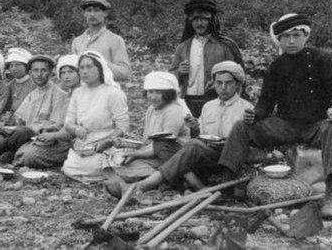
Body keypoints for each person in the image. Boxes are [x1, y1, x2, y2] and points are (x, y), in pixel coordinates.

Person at [217, 14, 332, 219]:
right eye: (286, 37)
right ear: (280, 40)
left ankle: (331, 194)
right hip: (285, 125)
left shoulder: (322, 58)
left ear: (305, 36)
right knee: (241, 127)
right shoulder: (276, 67)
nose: (291, 41)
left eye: (296, 35)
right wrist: (255, 114)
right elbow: (266, 103)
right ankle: (226, 184)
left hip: (316, 125)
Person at [105, 61, 252, 198]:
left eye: (228, 83)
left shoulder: (247, 109)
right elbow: (201, 136)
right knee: (162, 144)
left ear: (238, 84)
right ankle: (198, 187)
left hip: (226, 160)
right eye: (219, 83)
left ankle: (142, 186)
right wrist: (195, 127)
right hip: (204, 156)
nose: (223, 87)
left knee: (192, 145)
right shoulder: (209, 106)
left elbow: (245, 144)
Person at [0, 55, 69, 163]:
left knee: (23, 132)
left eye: (43, 70)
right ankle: (10, 151)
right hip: (22, 134)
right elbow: (19, 117)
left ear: (51, 72)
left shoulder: (60, 95)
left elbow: (56, 125)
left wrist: (33, 128)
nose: (39, 74)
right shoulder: (32, 95)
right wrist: (10, 120)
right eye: (35, 70)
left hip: (41, 136)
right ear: (30, 72)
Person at [61, 51, 130, 183]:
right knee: (69, 167)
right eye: (81, 68)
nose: (85, 71)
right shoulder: (78, 92)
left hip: (107, 143)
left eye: (89, 67)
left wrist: (107, 141)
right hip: (84, 144)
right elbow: (68, 122)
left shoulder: (113, 93)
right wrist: (76, 129)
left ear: (100, 68)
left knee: (92, 165)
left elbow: (123, 127)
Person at [169, 0, 242, 121]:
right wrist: (180, 72)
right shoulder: (182, 47)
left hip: (217, 99)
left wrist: (219, 83)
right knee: (191, 134)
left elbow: (238, 74)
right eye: (195, 20)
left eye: (203, 19)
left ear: (211, 21)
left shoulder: (224, 46)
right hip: (189, 100)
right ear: (190, 22)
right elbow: (170, 77)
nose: (199, 23)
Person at [113, 72, 190, 179]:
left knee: (131, 168)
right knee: (120, 162)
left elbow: (163, 147)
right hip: (153, 153)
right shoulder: (151, 109)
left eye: (158, 92)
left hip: (172, 156)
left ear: (168, 93)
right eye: (150, 92)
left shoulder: (173, 111)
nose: (153, 97)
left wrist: (136, 154)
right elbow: (147, 141)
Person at [13, 54, 81, 168]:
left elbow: (63, 126)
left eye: (71, 72)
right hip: (45, 136)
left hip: (69, 141)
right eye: (63, 73)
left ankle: (14, 153)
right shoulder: (33, 94)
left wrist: (52, 134)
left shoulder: (66, 95)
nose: (66, 77)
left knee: (29, 155)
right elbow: (19, 117)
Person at [71, 0, 131, 82]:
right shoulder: (77, 41)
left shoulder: (115, 40)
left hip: (107, 91)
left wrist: (102, 64)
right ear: (84, 14)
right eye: (89, 10)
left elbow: (125, 73)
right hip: (84, 92)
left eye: (97, 10)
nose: (92, 14)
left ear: (105, 13)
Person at [3, 47, 36, 124]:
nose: (14, 68)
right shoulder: (9, 86)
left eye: (17, 65)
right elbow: (6, 107)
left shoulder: (34, 84)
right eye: (11, 65)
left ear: (26, 67)